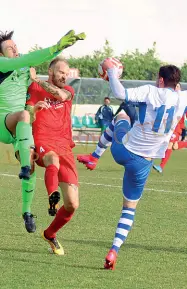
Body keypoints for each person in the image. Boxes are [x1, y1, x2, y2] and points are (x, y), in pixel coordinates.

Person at [84, 60, 187, 270]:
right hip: (143, 163)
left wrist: (112, 73)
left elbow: (120, 93)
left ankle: (95, 156)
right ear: (177, 84)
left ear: (160, 80)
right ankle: (114, 250)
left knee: (121, 115)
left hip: (123, 150)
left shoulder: (151, 91)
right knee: (129, 209)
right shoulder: (182, 98)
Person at [0, 30, 85, 233]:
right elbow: (32, 58)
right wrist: (57, 46)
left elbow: (43, 94)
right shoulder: (4, 64)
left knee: (30, 164)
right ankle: (45, 192)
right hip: (6, 123)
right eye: (10, 48)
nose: (15, 50)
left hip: (31, 130)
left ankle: (31, 216)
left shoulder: (27, 74)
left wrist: (33, 98)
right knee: (25, 119)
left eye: (16, 46)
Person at [26, 58, 79, 255]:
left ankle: (49, 234)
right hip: (43, 141)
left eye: (66, 73)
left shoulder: (68, 90)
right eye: (60, 72)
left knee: (72, 204)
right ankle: (51, 197)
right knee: (52, 159)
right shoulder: (33, 87)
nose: (64, 76)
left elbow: (61, 95)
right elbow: (27, 114)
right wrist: (34, 109)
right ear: (50, 71)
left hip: (65, 146)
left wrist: (38, 80)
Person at [77, 101, 137, 170]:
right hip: (143, 156)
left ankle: (94, 157)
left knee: (121, 116)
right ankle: (94, 157)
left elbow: (120, 93)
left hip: (121, 149)